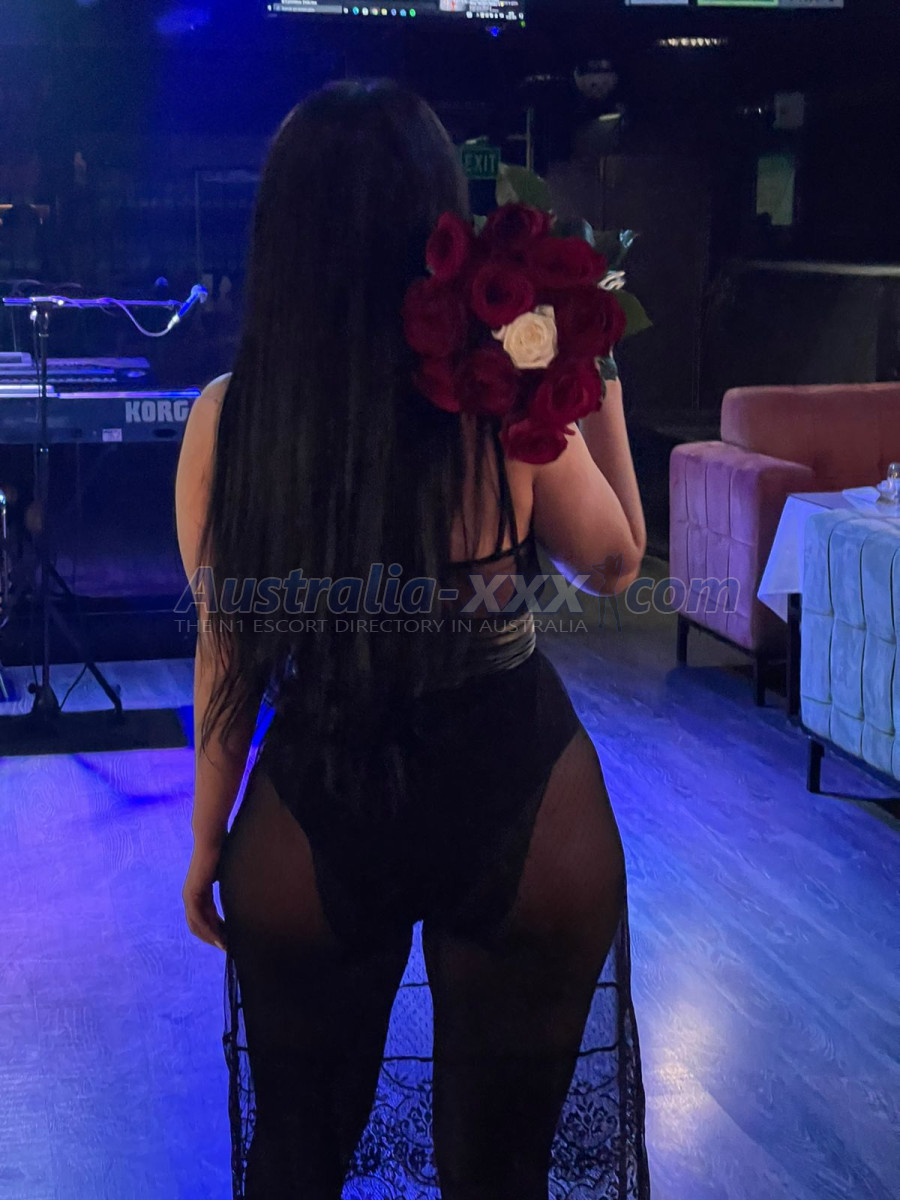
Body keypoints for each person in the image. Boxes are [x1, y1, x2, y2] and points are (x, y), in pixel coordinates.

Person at [175, 80, 650, 1200]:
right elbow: (617, 561)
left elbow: (229, 649)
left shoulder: (231, 419)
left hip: (321, 792)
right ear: (441, 222)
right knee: (501, 1178)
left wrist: (206, 837)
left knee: (296, 1162)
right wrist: (589, 372)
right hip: (519, 790)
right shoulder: (499, 396)